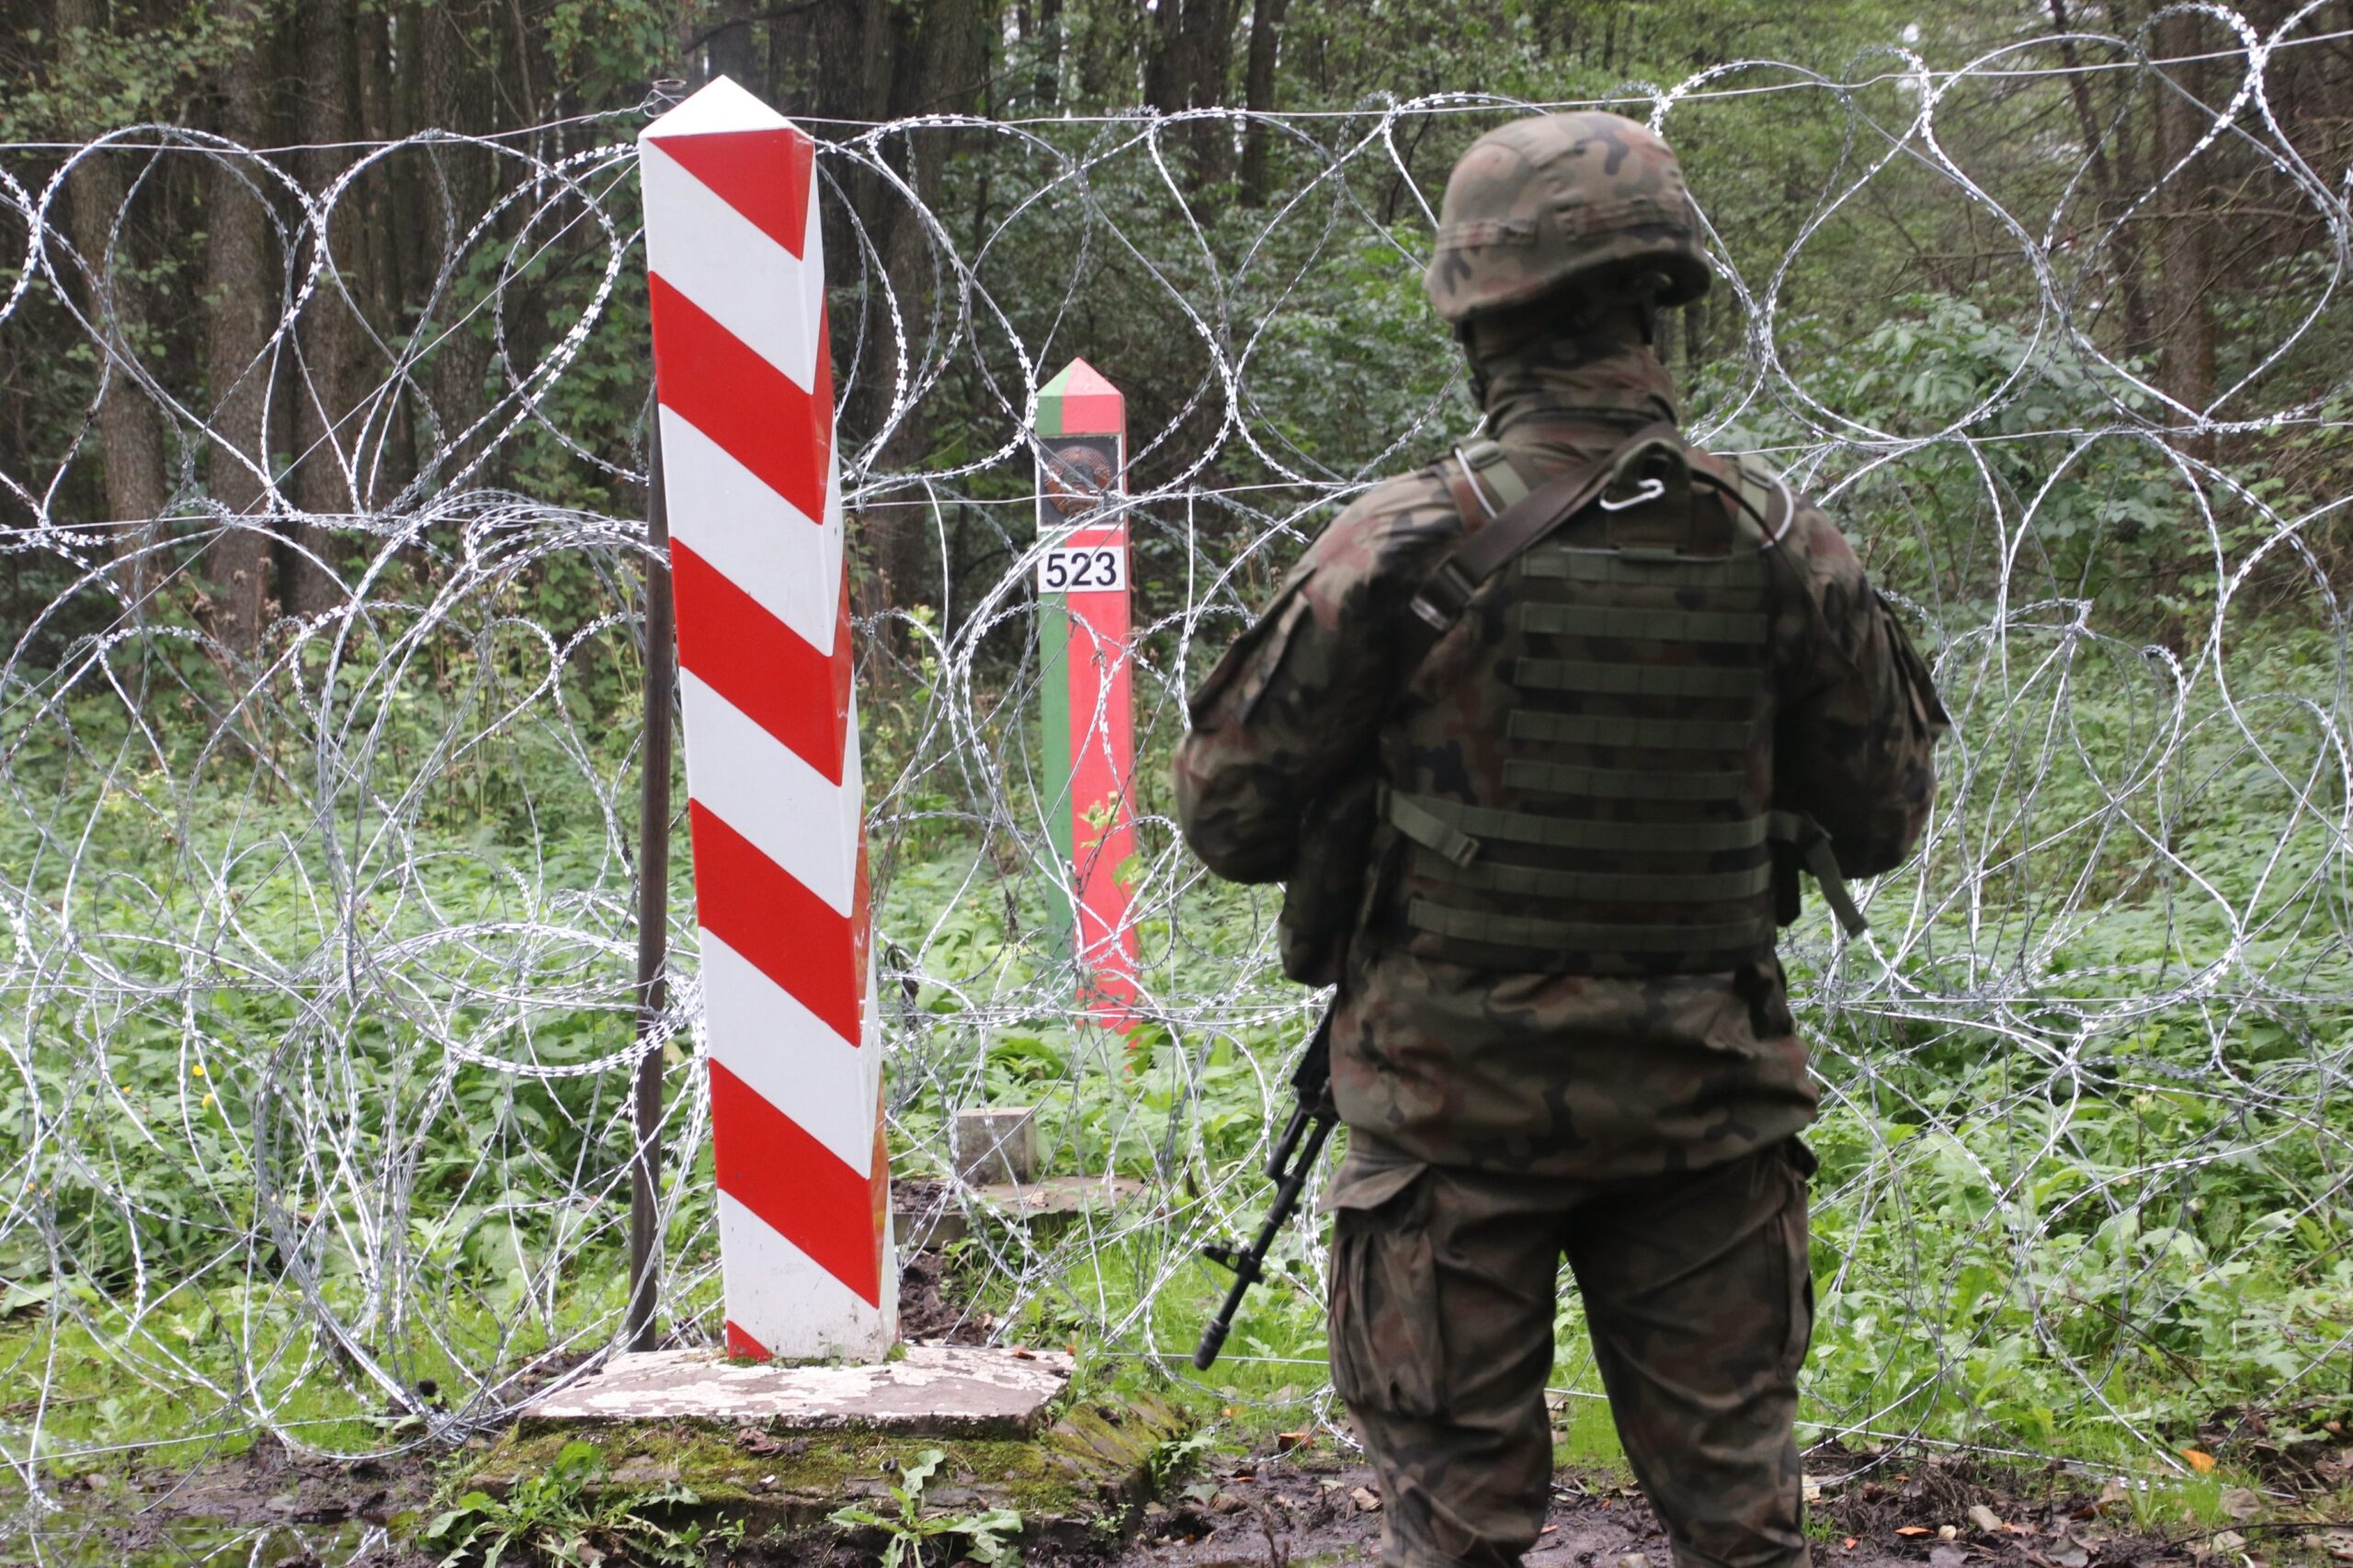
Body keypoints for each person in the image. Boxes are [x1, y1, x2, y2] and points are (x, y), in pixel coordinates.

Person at [1174, 111, 1946, 1568]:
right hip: (1701, 1111)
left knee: (1455, 1530)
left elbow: (1226, 815)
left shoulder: (1396, 543)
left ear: (1478, 316)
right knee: (1740, 1521)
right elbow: (1885, 823)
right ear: (1660, 302)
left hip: (1446, 1120)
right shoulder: (1786, 543)